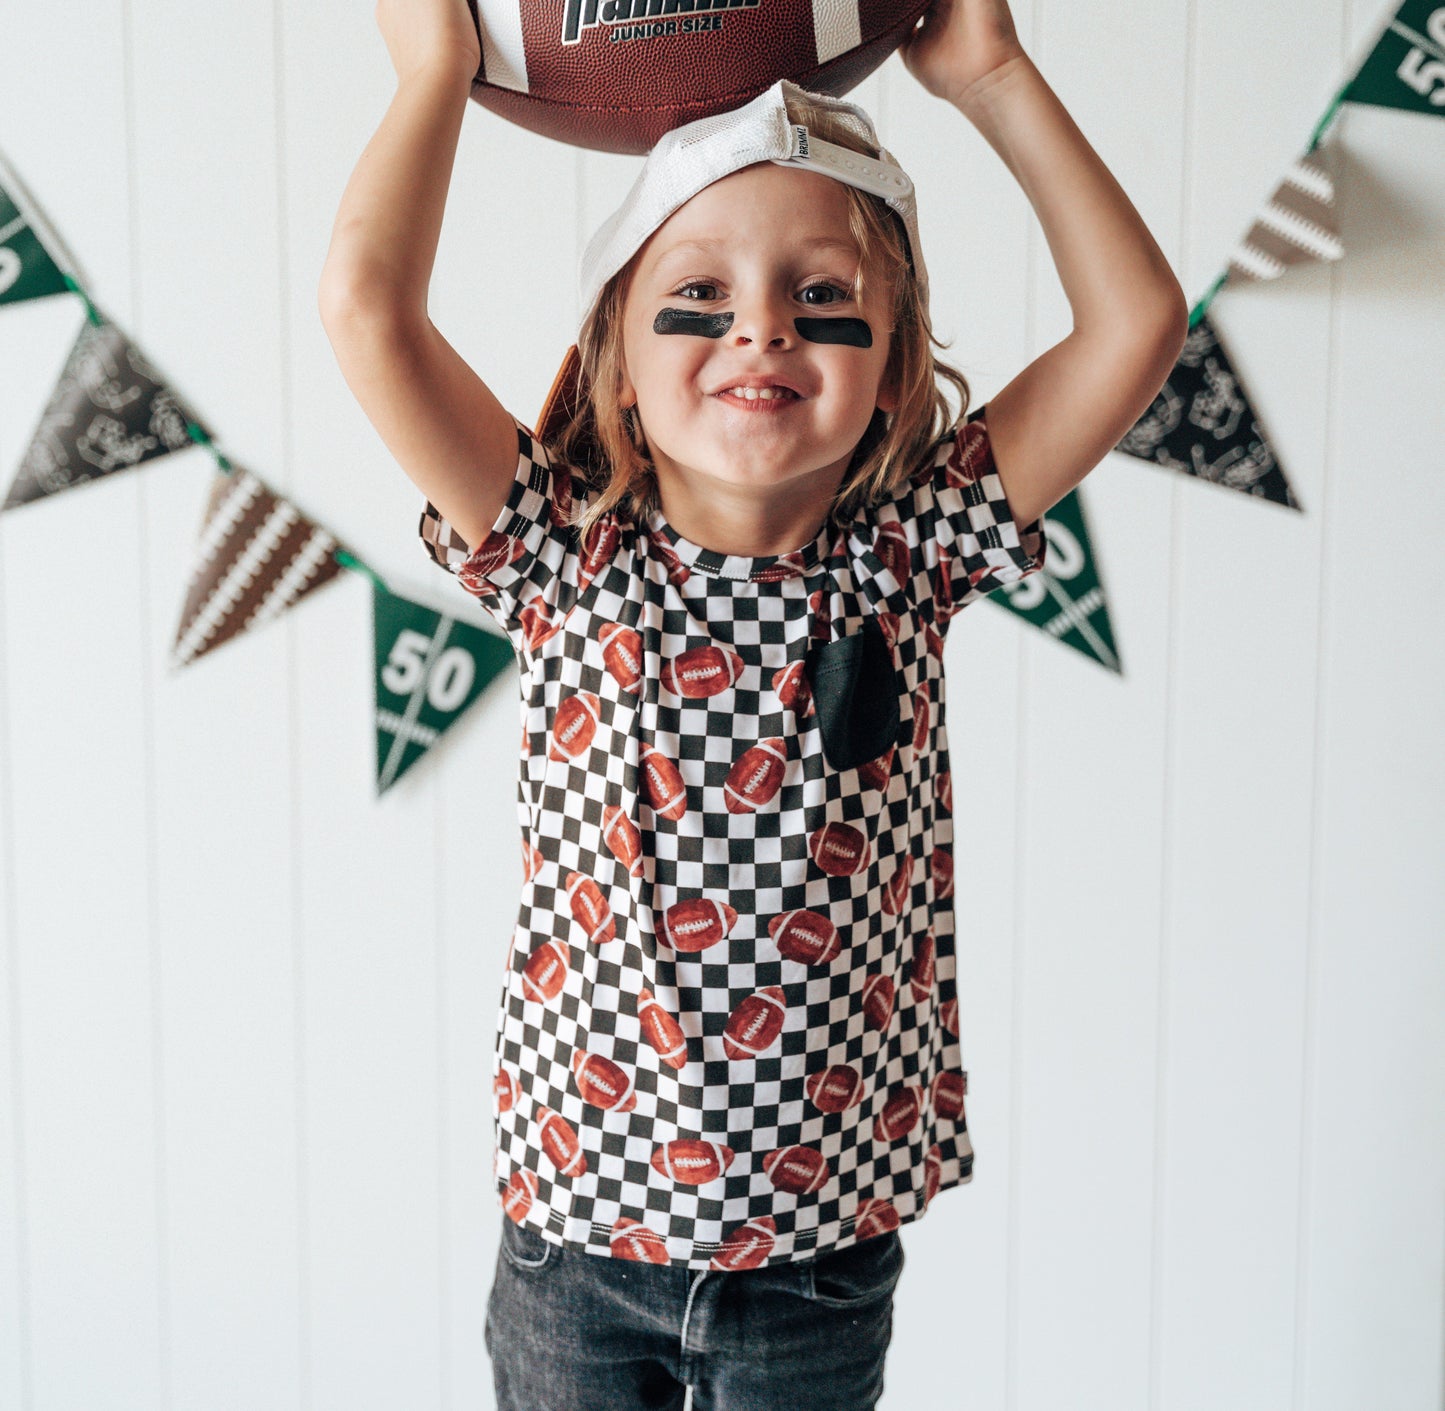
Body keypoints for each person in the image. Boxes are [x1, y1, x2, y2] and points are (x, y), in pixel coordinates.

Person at [319, 1, 1187, 1406]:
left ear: (895, 361)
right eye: (696, 300)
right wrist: (431, 76)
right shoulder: (564, 556)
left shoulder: (909, 555)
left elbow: (1137, 321)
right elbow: (368, 311)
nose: (761, 328)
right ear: (615, 360)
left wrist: (994, 76)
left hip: (815, 1254)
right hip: (573, 1242)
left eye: (825, 299)